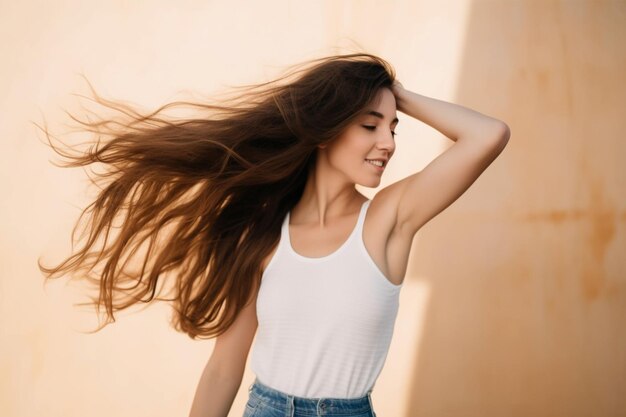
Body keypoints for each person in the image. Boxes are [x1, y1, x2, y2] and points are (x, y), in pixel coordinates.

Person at [38, 53, 510, 417]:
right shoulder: (264, 232)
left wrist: (391, 92)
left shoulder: (389, 219)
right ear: (325, 131)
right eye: (370, 125)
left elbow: (488, 134)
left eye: (394, 128)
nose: (388, 143)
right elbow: (224, 368)